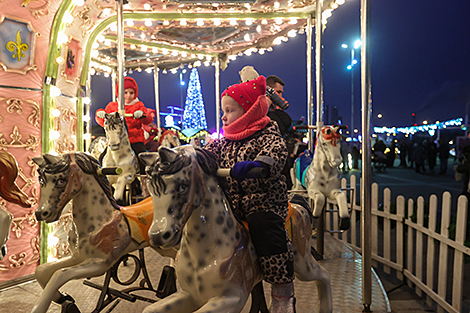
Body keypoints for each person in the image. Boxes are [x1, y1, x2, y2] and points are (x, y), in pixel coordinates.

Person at [204, 76, 294, 312]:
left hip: (262, 201)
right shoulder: (223, 141)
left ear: (248, 111)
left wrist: (258, 166)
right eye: (223, 111)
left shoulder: (268, 135)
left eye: (229, 110)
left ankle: (282, 292)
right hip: (231, 202)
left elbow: (274, 156)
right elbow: (205, 154)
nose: (223, 116)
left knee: (264, 226)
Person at [95, 77, 153, 194]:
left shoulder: (138, 105)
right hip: (115, 140)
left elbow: (147, 119)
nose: (128, 96)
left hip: (134, 139)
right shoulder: (112, 106)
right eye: (125, 92)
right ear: (119, 93)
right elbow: (104, 122)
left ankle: (144, 182)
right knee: (101, 157)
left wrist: (142, 114)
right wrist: (100, 114)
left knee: (142, 156)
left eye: (131, 93)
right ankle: (101, 181)